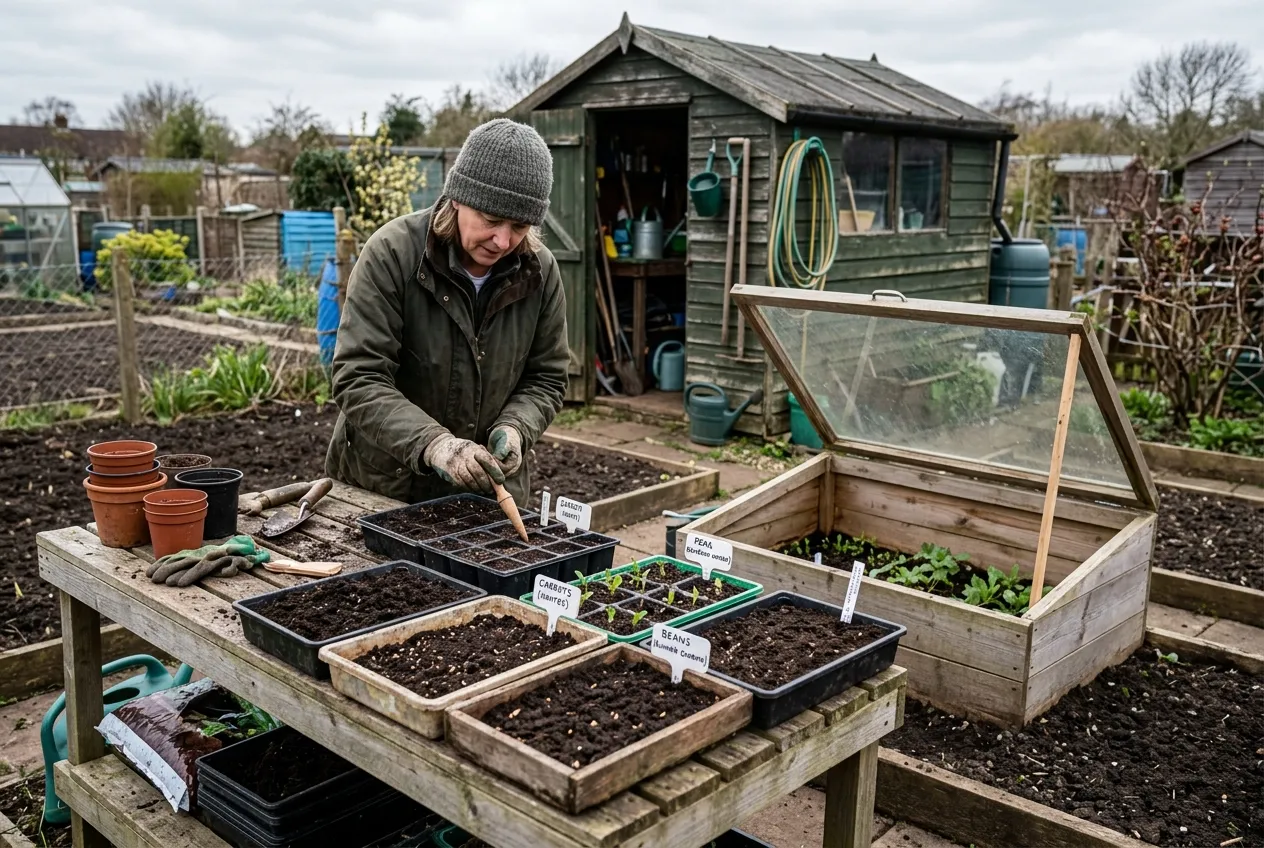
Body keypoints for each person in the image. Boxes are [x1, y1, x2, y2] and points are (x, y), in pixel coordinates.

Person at [325, 118, 568, 507]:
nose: (503, 240)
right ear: (457, 197)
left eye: (520, 225)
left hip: (490, 496)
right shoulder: (393, 255)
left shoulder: (539, 270)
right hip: (387, 491)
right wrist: (434, 444)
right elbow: (359, 377)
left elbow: (547, 378)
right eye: (490, 220)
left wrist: (517, 427)